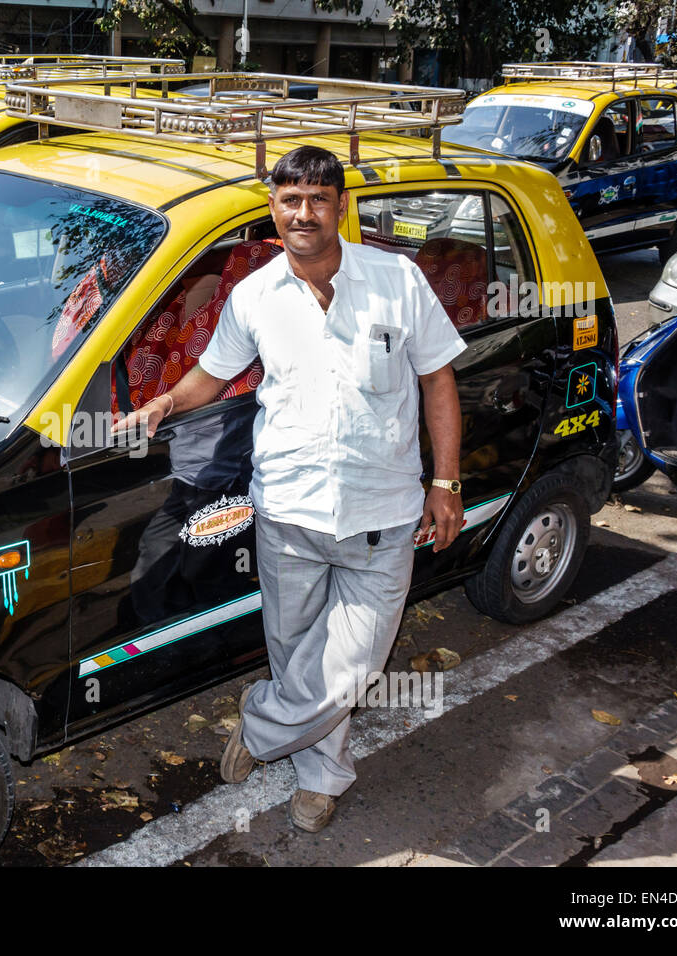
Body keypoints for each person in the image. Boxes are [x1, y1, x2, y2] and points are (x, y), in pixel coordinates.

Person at [112, 145, 466, 833]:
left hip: (383, 511)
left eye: (318, 199)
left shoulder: (397, 280)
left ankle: (262, 727)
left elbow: (438, 381)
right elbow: (212, 376)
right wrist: (164, 405)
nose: (304, 213)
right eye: (290, 200)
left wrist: (446, 480)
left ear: (340, 206)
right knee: (297, 651)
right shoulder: (253, 296)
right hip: (287, 509)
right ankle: (320, 778)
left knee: (351, 667)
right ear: (273, 207)